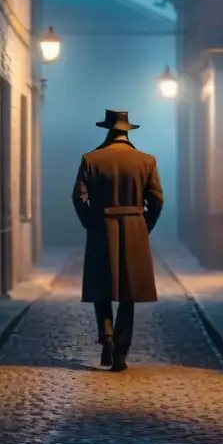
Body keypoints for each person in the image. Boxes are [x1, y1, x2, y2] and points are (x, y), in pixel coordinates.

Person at [71, 109, 164, 371]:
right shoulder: (146, 161)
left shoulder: (91, 158)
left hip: (102, 225)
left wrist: (91, 222)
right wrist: (144, 226)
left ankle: (107, 336)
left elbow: (78, 196)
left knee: (102, 287)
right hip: (134, 225)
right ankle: (121, 353)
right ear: (127, 132)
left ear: (108, 131)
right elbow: (157, 199)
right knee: (128, 293)